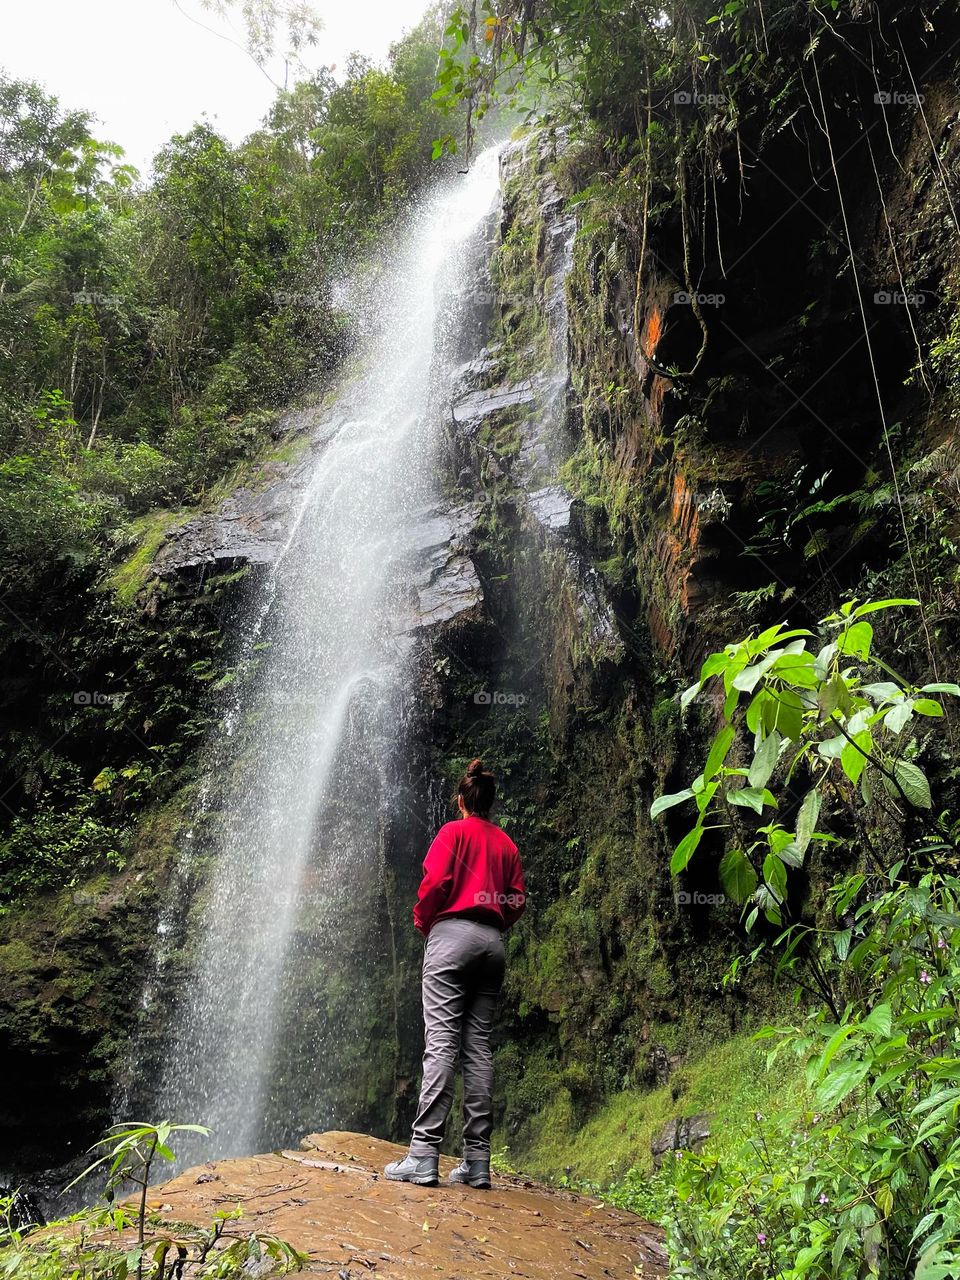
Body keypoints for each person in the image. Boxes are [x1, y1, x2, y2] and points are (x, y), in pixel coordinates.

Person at [384, 758, 526, 1190]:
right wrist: (496, 921)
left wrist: (426, 920)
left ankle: (424, 1154)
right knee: (478, 1048)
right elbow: (516, 900)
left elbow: (434, 883)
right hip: (492, 945)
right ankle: (477, 1163)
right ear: (490, 801)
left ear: (462, 800)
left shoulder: (452, 833)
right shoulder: (506, 845)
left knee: (442, 1042)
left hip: (452, 938)